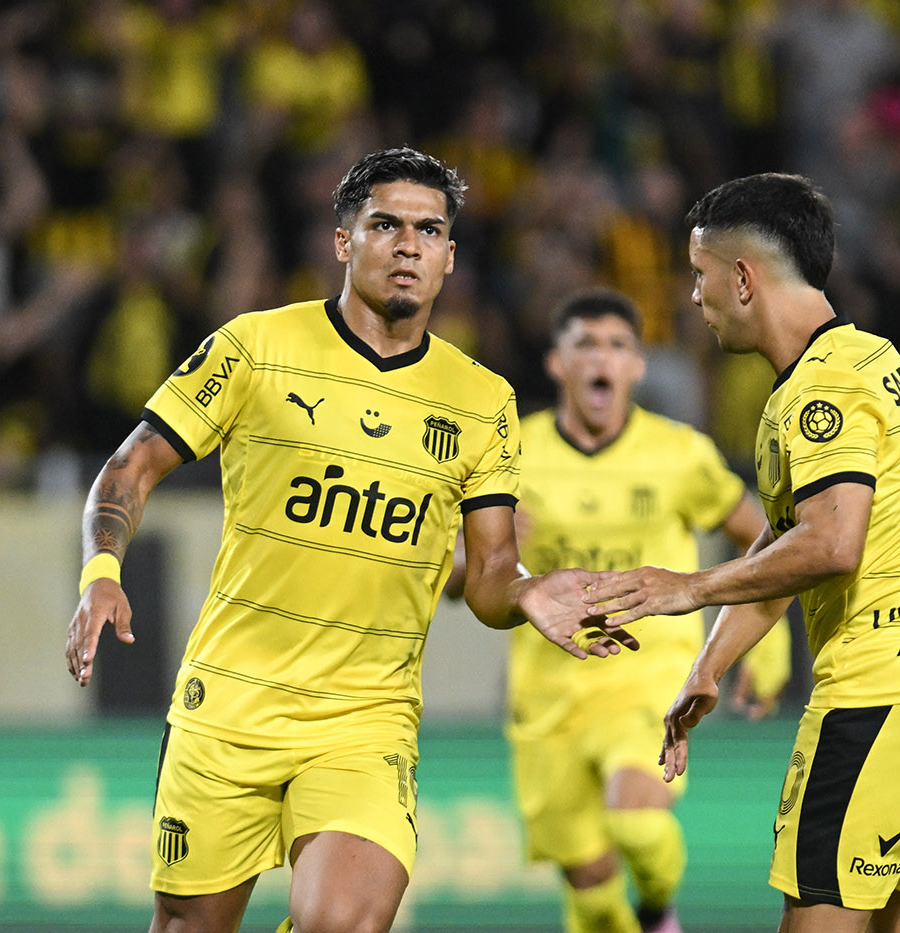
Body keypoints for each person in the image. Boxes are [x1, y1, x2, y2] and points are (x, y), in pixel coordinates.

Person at [63, 147, 627, 933]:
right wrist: (100, 569)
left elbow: (491, 570)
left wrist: (528, 589)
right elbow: (129, 467)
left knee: (344, 923)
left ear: (450, 256)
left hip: (366, 717)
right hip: (230, 703)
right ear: (343, 241)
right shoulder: (255, 348)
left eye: (428, 230)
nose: (407, 245)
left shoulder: (480, 400)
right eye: (385, 224)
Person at [585, 173, 900, 933]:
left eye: (699, 274)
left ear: (743, 278)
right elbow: (790, 538)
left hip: (881, 695)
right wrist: (711, 663)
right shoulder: (869, 358)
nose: (693, 297)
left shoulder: (820, 390)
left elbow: (832, 543)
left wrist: (691, 587)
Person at [445, 287, 788, 933]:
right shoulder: (511, 455)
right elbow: (458, 584)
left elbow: (761, 534)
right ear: (558, 364)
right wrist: (494, 550)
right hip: (548, 695)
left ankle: (659, 910)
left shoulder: (679, 453)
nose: (602, 357)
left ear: (636, 367)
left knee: (636, 817)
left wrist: (761, 647)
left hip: (647, 675)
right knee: (593, 892)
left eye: (618, 345)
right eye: (586, 344)